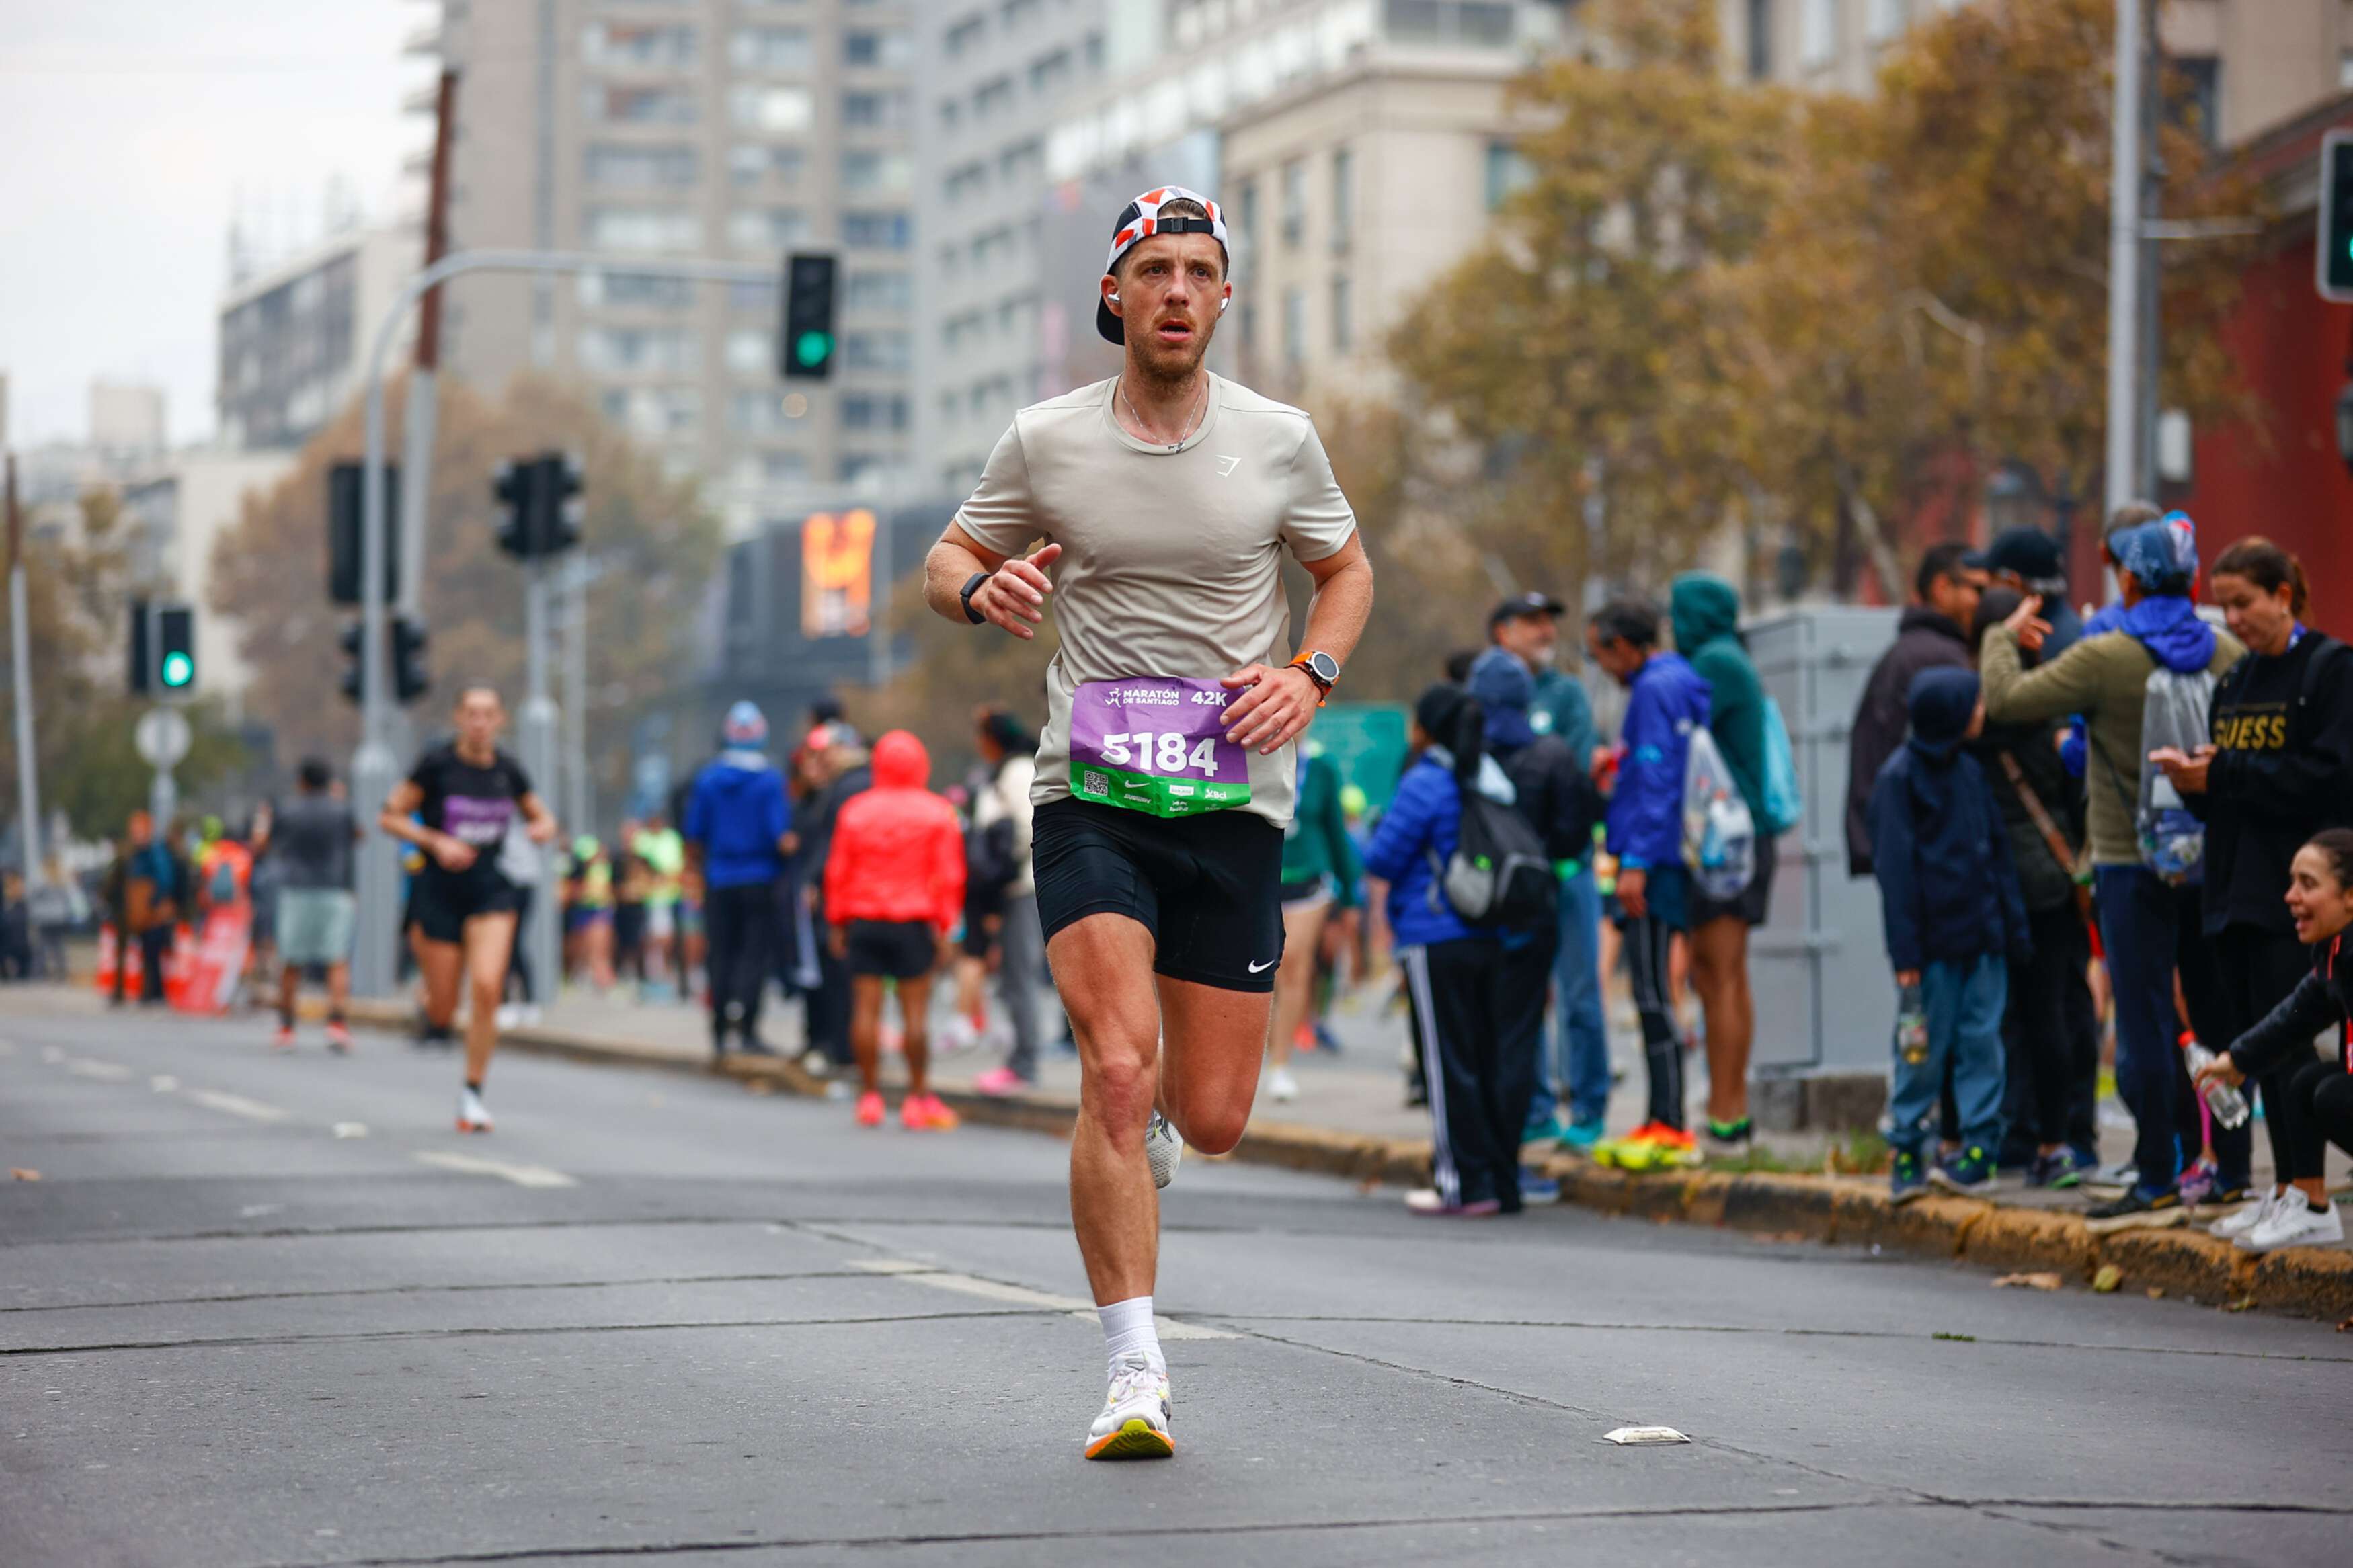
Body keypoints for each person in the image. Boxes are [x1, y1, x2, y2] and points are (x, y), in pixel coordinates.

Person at [922, 183, 1373, 1462]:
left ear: (1226, 298)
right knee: (1117, 1069)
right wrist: (982, 584)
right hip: (1092, 793)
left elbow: (1346, 571)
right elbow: (945, 556)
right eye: (1154, 270)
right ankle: (1133, 1369)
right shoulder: (1046, 440)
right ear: (1113, 294)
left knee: (1216, 1114)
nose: (1177, 291)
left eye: (1199, 271)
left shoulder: (1280, 439)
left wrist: (1311, 672)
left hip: (1233, 802)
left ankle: (1169, 1117)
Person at [1981, 517, 2243, 1231]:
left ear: (2128, 578)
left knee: (2145, 1020)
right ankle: (2230, 1167)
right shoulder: (2225, 651)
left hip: (2130, 863)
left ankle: (2156, 1171)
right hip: (2210, 862)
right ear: (2189, 580)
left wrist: (2000, 636)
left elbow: (2005, 701)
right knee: (2218, 1013)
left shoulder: (2105, 654)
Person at [2158, 542, 2353, 1245]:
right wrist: (2197, 784)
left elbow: (2329, 778)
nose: (2232, 618)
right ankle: (2278, 1191)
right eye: (2225, 604)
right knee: (2255, 1044)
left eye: (2243, 602)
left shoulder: (2329, 670)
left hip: (2299, 892)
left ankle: (2310, 1196)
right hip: (2231, 889)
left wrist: (2229, 773)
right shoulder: (2233, 679)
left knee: (2294, 1045)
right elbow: (2227, 792)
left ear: (2283, 593)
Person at [1869, 668, 2029, 1200]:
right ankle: (1908, 1146)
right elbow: (1896, 871)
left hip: (1983, 940)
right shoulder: (1899, 778)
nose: (1981, 711)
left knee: (1981, 1042)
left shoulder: (1969, 770)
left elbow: (1997, 853)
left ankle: (1979, 1148)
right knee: (1921, 1049)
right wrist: (1905, 951)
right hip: (1931, 950)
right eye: (1973, 703)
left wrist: (2012, 928)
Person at [1365, 684, 1523, 1216]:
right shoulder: (1492, 778)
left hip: (1434, 937)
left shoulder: (1426, 782)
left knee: (1445, 1063)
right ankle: (1502, 1179)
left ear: (1427, 729)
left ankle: (1461, 1183)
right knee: (1487, 1059)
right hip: (1491, 934)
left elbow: (1384, 858)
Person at [378, 687, 558, 1133]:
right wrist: (435, 840)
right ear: (459, 717)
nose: (479, 722)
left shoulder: (508, 770)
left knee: (487, 987)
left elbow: (544, 816)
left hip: (490, 891)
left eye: (488, 714)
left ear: (500, 721)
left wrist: (541, 827)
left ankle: (472, 1093)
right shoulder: (436, 765)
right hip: (439, 891)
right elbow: (390, 816)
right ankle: (430, 1009)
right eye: (471, 713)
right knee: (444, 1008)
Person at [1968, 591, 2098, 1188]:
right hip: (2054, 881)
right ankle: (2059, 1141)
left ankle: (2006, 1137)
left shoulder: (1978, 718)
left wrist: (1994, 638)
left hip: (1999, 887)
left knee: (2003, 1017)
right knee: (2052, 1010)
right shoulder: (2052, 713)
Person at [1585, 597, 1712, 1169]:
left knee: (1655, 993)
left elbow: (1661, 778)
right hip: (1660, 854)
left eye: (1602, 655)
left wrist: (1635, 860)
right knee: (1653, 991)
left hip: (1655, 863)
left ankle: (1672, 1125)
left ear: (1625, 646)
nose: (1604, 668)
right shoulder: (1674, 679)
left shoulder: (1655, 687)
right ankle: (1660, 1117)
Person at [1468, 647, 1595, 1184]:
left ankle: (1473, 1159)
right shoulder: (1555, 754)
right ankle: (1512, 1161)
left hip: (1472, 917)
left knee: (1477, 1041)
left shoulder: (1467, 754)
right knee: (1521, 1037)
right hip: (1534, 915)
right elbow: (1573, 835)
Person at [2192, 830, 2353, 1252]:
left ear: (2350, 897)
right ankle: (2311, 1209)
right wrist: (2238, 1060)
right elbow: (2294, 1017)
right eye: (2292, 882)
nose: (2290, 896)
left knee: (2335, 1093)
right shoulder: (2334, 951)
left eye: (2308, 884)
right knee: (2305, 1083)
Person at [1488, 591, 1607, 1150]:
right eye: (1531, 622)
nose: (1543, 631)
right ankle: (1535, 1108)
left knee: (1580, 993)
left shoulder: (1567, 694)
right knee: (1523, 997)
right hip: (1513, 880)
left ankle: (1588, 1108)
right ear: (1502, 632)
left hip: (1567, 869)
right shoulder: (1487, 691)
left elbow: (1577, 776)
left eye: (1547, 622)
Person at [1669, 572, 1776, 1152]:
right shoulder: (1730, 656)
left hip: (1727, 842)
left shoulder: (1715, 661)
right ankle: (1729, 1108)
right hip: (1743, 838)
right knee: (1727, 976)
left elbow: (1678, 726)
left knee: (1718, 976)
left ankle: (1727, 1112)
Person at [822, 729, 965, 1131]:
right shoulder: (938, 812)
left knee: (865, 1010)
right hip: (914, 924)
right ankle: (917, 1096)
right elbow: (949, 876)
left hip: (864, 921)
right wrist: (948, 928)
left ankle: (870, 1096)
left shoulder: (855, 810)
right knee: (915, 1015)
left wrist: (836, 921)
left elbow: (837, 872)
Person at [1845, 542, 1986, 878]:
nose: (1982, 601)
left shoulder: (1906, 652)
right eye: (1977, 589)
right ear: (1941, 587)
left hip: (1906, 841)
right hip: (1934, 847)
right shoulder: (1943, 658)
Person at [684, 701, 795, 1059]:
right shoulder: (770, 781)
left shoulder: (708, 779)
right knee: (753, 956)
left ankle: (718, 1031)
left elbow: (694, 835)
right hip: (760, 879)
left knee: (720, 955)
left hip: (719, 880)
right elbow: (780, 834)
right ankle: (747, 1030)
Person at [1261, 741, 1362, 1104]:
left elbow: (1337, 832)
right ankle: (1256, 1055)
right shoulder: (1252, 753)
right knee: (1261, 968)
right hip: (1261, 879)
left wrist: (1351, 896)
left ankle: (1280, 1065)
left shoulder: (1321, 766)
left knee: (1293, 965)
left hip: (1309, 883)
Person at [970, 708, 1054, 1096]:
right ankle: (1022, 1059)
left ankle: (1025, 1063)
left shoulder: (1018, 770)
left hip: (1022, 888)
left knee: (1020, 977)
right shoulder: (1003, 770)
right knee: (1012, 978)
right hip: (1010, 890)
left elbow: (1027, 823)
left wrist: (1010, 867)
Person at [268, 758, 359, 1053]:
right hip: (335, 889)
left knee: (292, 961)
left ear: (302, 781)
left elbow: (270, 843)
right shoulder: (341, 810)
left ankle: (286, 1027)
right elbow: (357, 837)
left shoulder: (288, 810)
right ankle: (337, 1024)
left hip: (297, 889)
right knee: (337, 959)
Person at [796, 723, 871, 1073]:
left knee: (838, 972)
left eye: (823, 754)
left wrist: (815, 881)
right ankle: (843, 1046)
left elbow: (833, 845)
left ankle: (842, 1048)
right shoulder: (842, 785)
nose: (818, 762)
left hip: (842, 895)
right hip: (854, 892)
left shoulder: (847, 788)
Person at [104, 809, 182, 1006]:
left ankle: (154, 993)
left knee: (153, 952)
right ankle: (149, 992)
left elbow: (165, 879)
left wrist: (153, 901)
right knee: (147, 952)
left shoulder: (156, 852)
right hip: (138, 910)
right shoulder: (135, 854)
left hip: (151, 910)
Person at [1983, 526, 2085, 659]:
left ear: (2012, 582)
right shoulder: (2063, 630)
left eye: (1992, 580)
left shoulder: (2049, 645)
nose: (1987, 590)